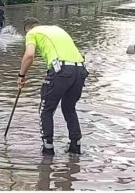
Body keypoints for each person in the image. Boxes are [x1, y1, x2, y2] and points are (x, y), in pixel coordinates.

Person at [17, 17, 88, 156]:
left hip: (61, 71)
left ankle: (48, 149)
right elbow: (81, 54)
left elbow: (29, 55)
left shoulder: (32, 33)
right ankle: (75, 146)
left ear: (27, 29)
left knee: (46, 110)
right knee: (69, 108)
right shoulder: (57, 30)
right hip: (80, 70)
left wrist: (21, 76)